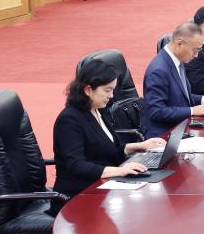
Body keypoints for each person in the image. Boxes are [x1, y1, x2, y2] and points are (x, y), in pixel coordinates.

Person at [52, 60, 166, 203]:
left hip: (104, 186)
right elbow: (76, 165)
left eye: (113, 90)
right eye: (107, 90)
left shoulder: (98, 110)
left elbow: (110, 149)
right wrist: (120, 171)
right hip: (77, 196)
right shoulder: (69, 120)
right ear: (88, 90)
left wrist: (140, 146)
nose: (111, 95)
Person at [142, 22, 204, 139]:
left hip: (181, 128)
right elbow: (156, 111)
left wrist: (203, 99)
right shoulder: (158, 70)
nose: (196, 55)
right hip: (165, 135)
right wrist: (192, 110)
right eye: (194, 50)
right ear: (179, 43)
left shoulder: (178, 60)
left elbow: (178, 96)